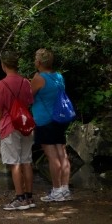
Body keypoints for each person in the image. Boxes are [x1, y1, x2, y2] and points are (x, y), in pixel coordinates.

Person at [0, 49, 35, 210]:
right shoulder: (26, 82)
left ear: (3, 65)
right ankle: (29, 197)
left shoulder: (0, 85)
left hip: (9, 125)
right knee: (27, 161)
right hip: (26, 125)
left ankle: (19, 198)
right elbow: (29, 102)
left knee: (14, 162)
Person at [31, 47, 72, 202]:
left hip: (44, 120)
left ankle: (56, 190)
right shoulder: (59, 76)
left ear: (39, 62)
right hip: (59, 119)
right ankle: (65, 189)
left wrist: (33, 80)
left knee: (52, 156)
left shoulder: (39, 78)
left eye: (35, 59)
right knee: (62, 153)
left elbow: (28, 97)